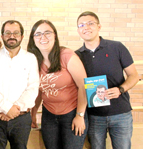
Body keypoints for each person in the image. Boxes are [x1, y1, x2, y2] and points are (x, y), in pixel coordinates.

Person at [76, 11, 139, 149]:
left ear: (99, 27)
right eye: (81, 25)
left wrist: (120, 89)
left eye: (90, 23)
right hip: (94, 116)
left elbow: (134, 75)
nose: (86, 27)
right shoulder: (76, 56)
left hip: (121, 114)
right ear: (78, 30)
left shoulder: (117, 47)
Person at [27, 20, 88, 149]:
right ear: (33, 39)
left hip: (72, 113)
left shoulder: (66, 55)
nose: (43, 37)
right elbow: (38, 91)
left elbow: (84, 86)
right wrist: (33, 114)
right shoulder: (33, 60)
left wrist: (80, 115)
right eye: (38, 34)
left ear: (55, 35)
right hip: (49, 115)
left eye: (47, 33)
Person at [0, 20, 39, 149]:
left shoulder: (30, 58)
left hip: (21, 119)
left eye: (15, 33)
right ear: (2, 36)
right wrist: (7, 109)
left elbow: (33, 88)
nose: (12, 36)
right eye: (7, 33)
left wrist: (14, 110)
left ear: (22, 36)